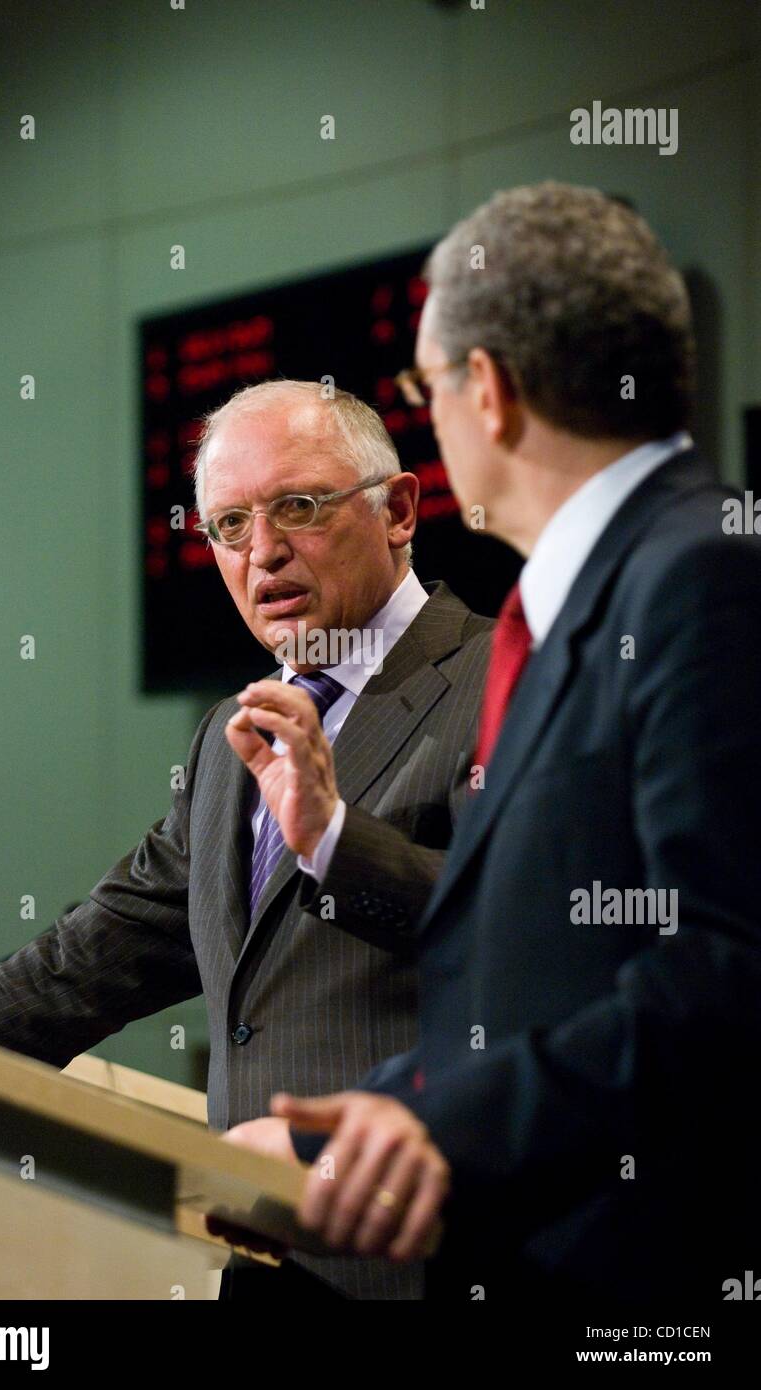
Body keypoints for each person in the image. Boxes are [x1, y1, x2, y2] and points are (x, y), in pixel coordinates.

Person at [225, 184, 761, 1307]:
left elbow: (725, 973)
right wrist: (362, 1124)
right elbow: (542, 983)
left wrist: (431, 1121)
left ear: (490, 392)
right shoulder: (583, 605)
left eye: (424, 389)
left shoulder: (701, 576)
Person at [0, 379, 493, 1301]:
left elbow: (522, 938)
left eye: (298, 508)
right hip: (263, 1270)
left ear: (397, 510)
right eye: (229, 525)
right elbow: (90, 955)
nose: (263, 550)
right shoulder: (235, 737)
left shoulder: (500, 677)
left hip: (431, 1268)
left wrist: (335, 840)